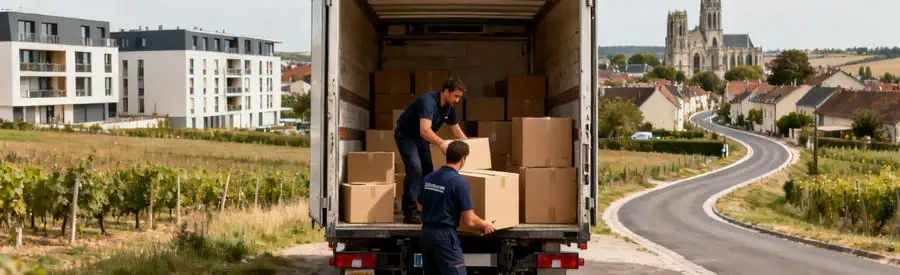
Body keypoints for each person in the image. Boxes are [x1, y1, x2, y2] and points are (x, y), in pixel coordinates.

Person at [394, 77, 468, 224]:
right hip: (407, 135)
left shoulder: (449, 107)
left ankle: (424, 207)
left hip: (421, 138)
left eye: (459, 97)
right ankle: (410, 212)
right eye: (456, 96)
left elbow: (456, 129)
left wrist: (470, 146)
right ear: (446, 92)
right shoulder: (428, 102)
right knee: (415, 168)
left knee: (428, 170)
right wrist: (442, 144)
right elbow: (424, 130)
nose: (457, 100)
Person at [418, 141, 496, 275]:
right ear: (463, 159)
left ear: (447, 155)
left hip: (426, 234)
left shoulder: (428, 178)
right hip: (444, 236)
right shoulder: (459, 183)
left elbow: (419, 206)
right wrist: (485, 224)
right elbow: (470, 220)